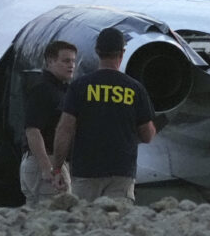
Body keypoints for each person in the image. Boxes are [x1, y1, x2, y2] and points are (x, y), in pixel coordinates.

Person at [52, 27, 156, 202]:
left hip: (87, 172)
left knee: (85, 223)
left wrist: (57, 168)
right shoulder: (135, 88)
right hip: (121, 173)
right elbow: (147, 135)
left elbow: (65, 130)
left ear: (97, 51)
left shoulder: (80, 86)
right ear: (122, 52)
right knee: (115, 223)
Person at [20, 40, 77, 205]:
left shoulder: (60, 90)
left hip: (47, 162)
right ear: (50, 61)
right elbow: (32, 130)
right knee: (56, 216)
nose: (71, 65)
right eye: (66, 61)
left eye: (73, 61)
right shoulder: (43, 89)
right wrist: (46, 167)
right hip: (45, 162)